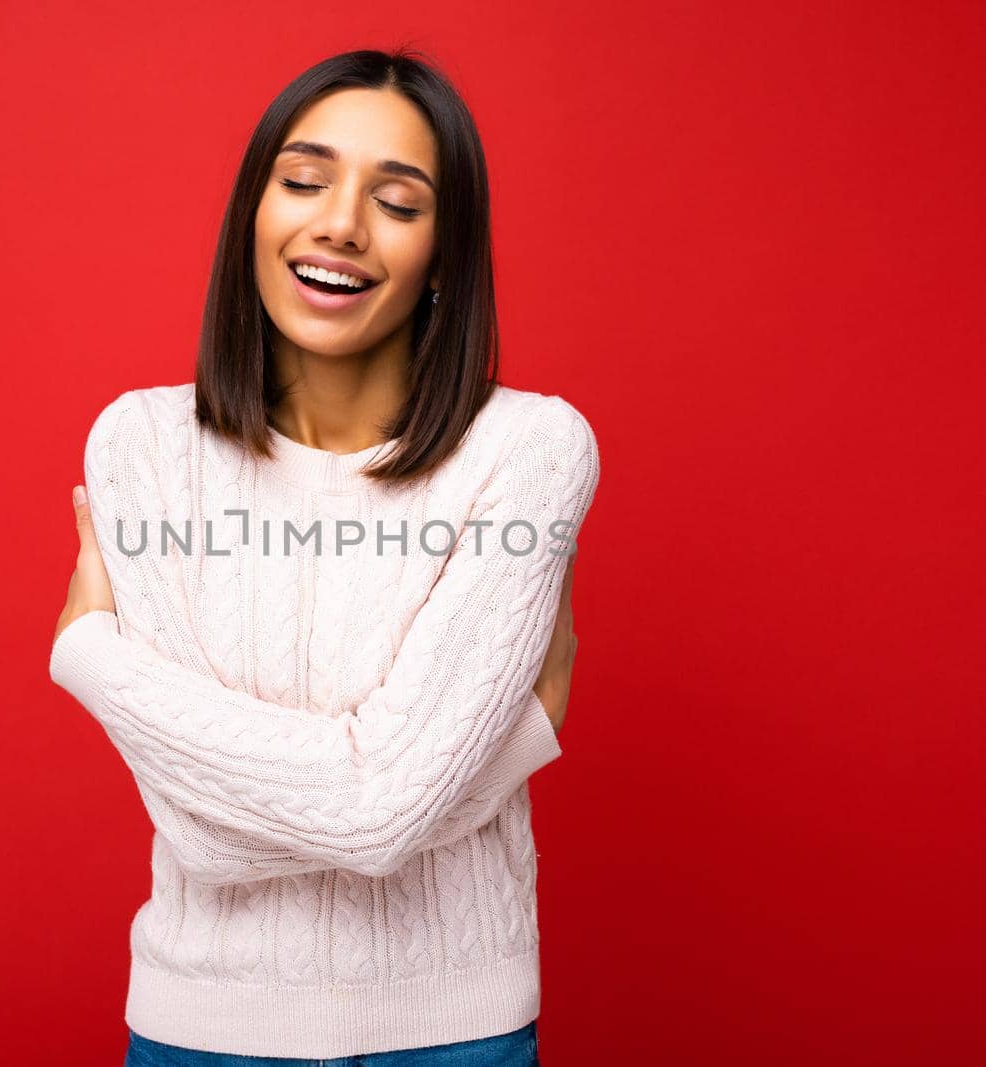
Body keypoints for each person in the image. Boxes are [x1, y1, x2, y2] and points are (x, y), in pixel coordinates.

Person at [49, 47, 600, 1066]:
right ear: (253, 214)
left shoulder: (528, 451)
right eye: (302, 181)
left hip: (454, 1033)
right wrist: (508, 740)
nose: (338, 221)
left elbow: (378, 813)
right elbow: (204, 832)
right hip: (199, 1030)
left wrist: (90, 659)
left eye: (396, 201)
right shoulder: (142, 447)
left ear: (446, 252)